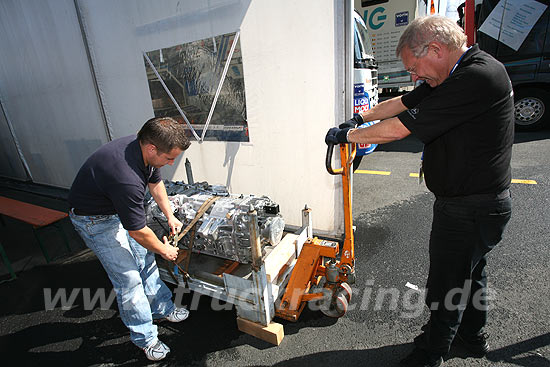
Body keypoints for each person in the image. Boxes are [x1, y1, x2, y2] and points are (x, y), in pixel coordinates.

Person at [326, 16, 513, 367]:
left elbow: (399, 128)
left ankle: (431, 353)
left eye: (415, 67)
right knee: (470, 277)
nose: (414, 76)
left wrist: (346, 137)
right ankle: (472, 339)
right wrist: (359, 118)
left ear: (436, 50)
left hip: (470, 207)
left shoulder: (476, 77)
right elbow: (403, 101)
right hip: (473, 204)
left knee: (446, 285)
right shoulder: (455, 73)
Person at [68, 117, 192, 361]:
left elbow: (155, 181)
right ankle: (146, 339)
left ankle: (162, 308)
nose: (172, 162)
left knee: (145, 259)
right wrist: (163, 250)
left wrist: (170, 216)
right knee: (129, 280)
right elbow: (137, 231)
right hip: (94, 221)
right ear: (152, 148)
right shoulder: (125, 176)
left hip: (114, 209)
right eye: (169, 158)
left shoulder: (146, 149)